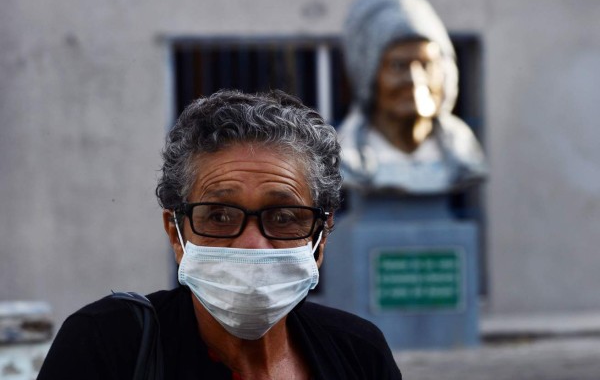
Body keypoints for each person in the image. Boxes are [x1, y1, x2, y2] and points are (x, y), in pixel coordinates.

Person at [38, 90, 402, 379]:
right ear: (175, 233)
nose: (252, 243)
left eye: (283, 216)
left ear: (320, 236)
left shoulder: (359, 353)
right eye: (219, 215)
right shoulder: (107, 344)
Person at [338, 0, 487, 194]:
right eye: (398, 66)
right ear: (369, 75)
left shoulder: (462, 151)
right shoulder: (346, 154)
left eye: (426, 65)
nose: (415, 80)